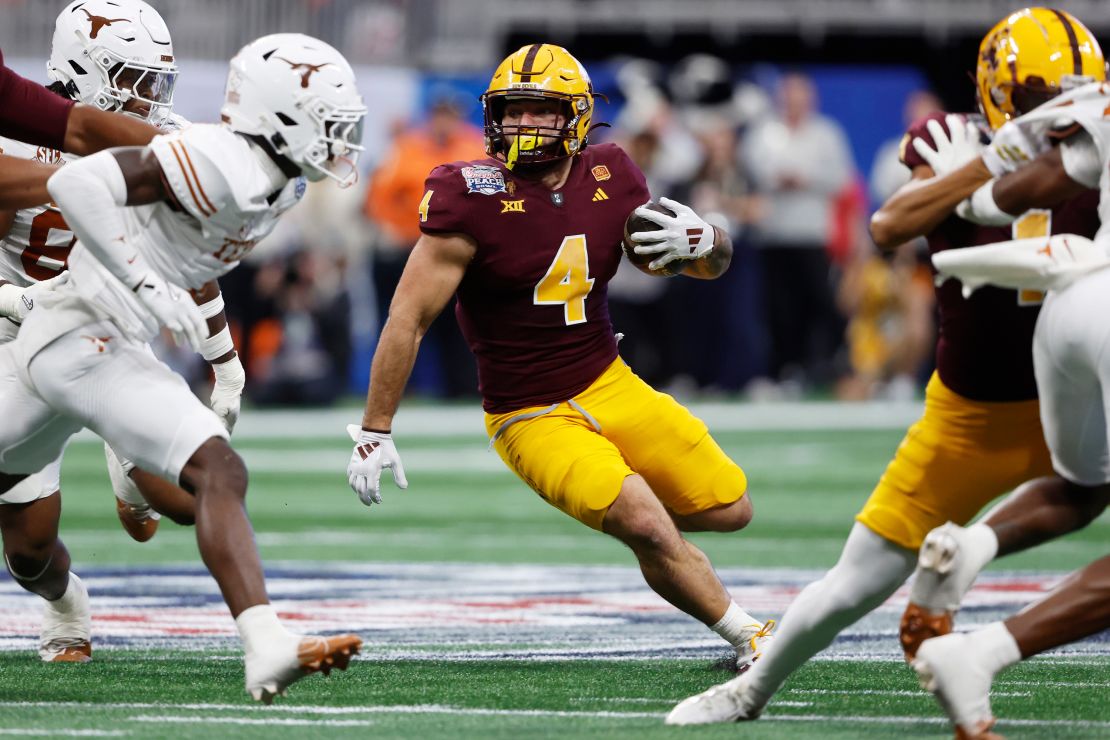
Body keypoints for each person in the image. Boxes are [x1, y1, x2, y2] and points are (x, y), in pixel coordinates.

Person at [665, 7, 1104, 725]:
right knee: (856, 580)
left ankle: (965, 572)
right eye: (1038, 100)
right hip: (974, 414)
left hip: (1083, 390)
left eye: (1075, 96)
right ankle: (750, 689)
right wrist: (997, 159)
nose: (1060, 114)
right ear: (997, 95)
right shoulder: (952, 138)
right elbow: (889, 225)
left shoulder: (1101, 136)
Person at [346, 43, 774, 667]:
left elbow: (704, 266)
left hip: (608, 379)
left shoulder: (614, 173)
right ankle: (752, 639)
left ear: (575, 117)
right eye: (511, 111)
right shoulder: (467, 194)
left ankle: (651, 536)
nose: (521, 125)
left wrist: (708, 241)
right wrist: (375, 429)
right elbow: (408, 317)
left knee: (732, 510)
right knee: (649, 526)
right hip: (529, 411)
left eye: (539, 111)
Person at [0, 32, 366, 702]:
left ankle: (265, 644)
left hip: (77, 338)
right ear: (281, 116)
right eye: (330, 124)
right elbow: (78, 180)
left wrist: (222, 362)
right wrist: (139, 285)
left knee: (199, 477)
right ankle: (264, 643)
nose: (342, 141)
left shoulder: (274, 181)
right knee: (218, 468)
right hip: (77, 337)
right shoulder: (218, 162)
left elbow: (185, 256)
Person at [0, 0, 242, 665]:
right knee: (28, 552)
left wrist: (225, 360)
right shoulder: (13, 138)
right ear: (81, 69)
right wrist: (13, 299)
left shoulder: (160, 136)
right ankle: (62, 601)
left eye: (156, 82)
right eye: (133, 80)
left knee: (194, 498)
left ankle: (126, 461)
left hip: (106, 333)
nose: (149, 100)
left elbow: (191, 254)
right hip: (13, 341)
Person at [904, 67, 1110, 740]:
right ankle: (979, 656)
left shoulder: (1101, 104)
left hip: (1074, 297)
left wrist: (971, 178)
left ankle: (972, 546)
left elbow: (1006, 200)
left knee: (1085, 487)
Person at [364, 92, 484, 398]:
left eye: (450, 113)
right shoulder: (406, 146)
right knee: (402, 317)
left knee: (460, 321)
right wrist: (399, 230)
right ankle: (402, 388)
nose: (444, 121)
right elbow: (379, 197)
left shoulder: (475, 145)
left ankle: (461, 388)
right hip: (409, 247)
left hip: (459, 249)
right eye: (439, 113)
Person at [742, 71, 854, 390]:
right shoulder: (764, 132)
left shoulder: (826, 133)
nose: (793, 101)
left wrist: (805, 179)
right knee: (778, 308)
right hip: (774, 235)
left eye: (799, 95)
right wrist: (778, 179)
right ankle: (782, 370)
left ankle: (826, 366)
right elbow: (751, 171)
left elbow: (841, 180)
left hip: (811, 234)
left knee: (819, 303)